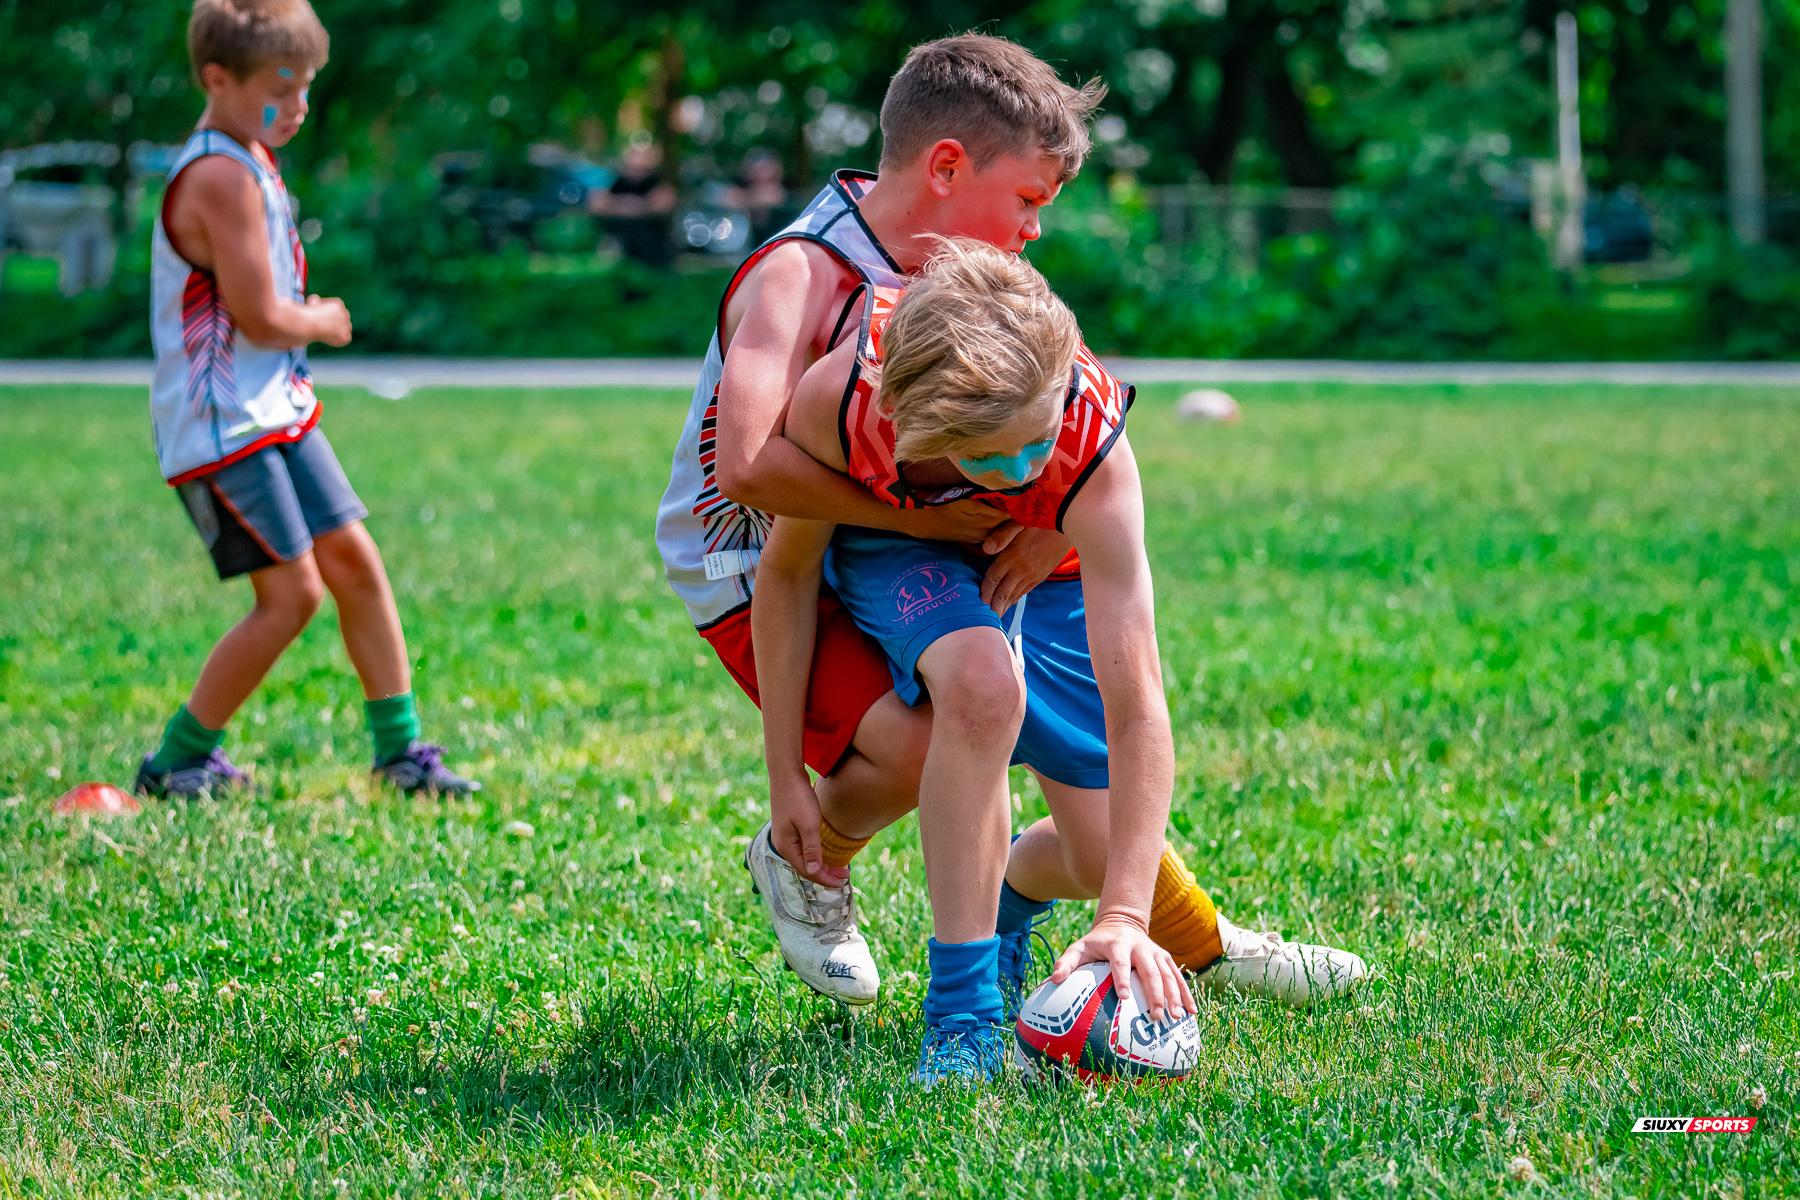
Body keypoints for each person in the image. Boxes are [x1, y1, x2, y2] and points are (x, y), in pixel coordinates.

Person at [653, 34, 1361, 1020]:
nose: (1035, 230)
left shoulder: (968, 269)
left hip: (918, 514)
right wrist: (951, 525)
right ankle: (809, 859)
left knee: (1074, 794)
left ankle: (1182, 931)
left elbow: (1063, 394)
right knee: (936, 726)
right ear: (946, 167)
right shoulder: (804, 274)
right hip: (757, 548)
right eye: (1028, 202)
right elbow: (750, 467)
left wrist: (1045, 509)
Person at [137, 0, 478, 800]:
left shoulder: (250, 157)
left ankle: (401, 755)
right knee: (291, 595)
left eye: (307, 86)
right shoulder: (218, 173)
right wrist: (320, 318)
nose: (298, 106)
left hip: (277, 413)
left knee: (356, 564)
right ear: (217, 79)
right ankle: (176, 761)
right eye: (280, 87)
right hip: (223, 429)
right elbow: (257, 315)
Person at [591, 137, 676, 267]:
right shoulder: (616, 181)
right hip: (618, 246)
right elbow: (596, 204)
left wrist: (621, 205)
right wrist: (636, 205)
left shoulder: (655, 181)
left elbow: (664, 202)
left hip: (651, 246)